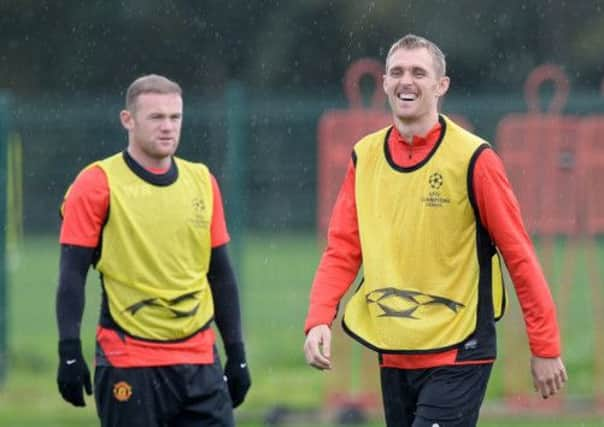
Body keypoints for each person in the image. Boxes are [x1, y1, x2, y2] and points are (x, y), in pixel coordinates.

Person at [303, 34, 567, 427]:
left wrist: (545, 346)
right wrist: (319, 319)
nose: (406, 81)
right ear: (386, 84)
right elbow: (342, 248)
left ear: (441, 85)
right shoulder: (365, 156)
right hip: (394, 347)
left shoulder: (475, 159)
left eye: (418, 72)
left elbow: (519, 255)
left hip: (462, 349)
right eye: (397, 72)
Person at [55, 74, 251, 427]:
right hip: (129, 360)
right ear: (127, 120)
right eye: (156, 117)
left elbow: (221, 275)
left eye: (175, 118)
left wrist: (236, 353)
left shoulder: (203, 182)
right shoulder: (96, 183)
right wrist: (68, 350)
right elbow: (71, 274)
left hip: (199, 362)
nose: (167, 127)